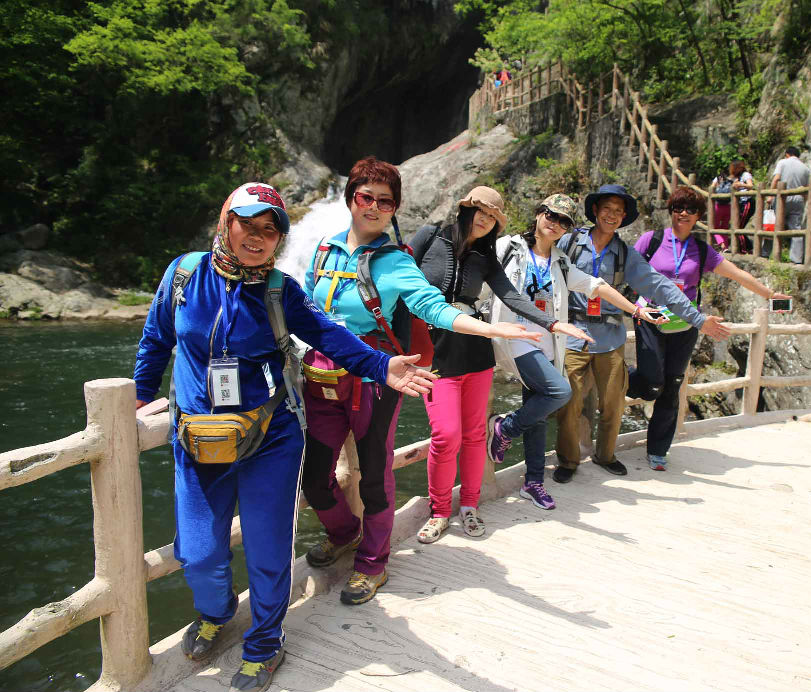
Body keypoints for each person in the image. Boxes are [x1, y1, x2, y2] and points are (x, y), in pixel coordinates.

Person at [132, 182, 436, 692]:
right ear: (225, 222)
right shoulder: (184, 273)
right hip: (197, 437)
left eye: (269, 229)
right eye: (246, 224)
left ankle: (266, 640)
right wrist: (141, 396)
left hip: (268, 438)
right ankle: (217, 609)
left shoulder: (279, 289)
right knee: (199, 553)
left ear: (280, 238)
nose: (257, 237)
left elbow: (330, 335)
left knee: (270, 551)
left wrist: (382, 366)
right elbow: (157, 337)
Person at [301, 158, 539, 605]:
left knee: (373, 474)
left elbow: (432, 305)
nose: (373, 206)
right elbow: (308, 310)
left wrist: (486, 328)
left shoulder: (396, 261)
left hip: (377, 378)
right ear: (351, 197)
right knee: (315, 477)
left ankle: (373, 562)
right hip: (323, 374)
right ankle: (346, 532)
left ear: (395, 209)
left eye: (384, 201)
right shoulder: (323, 249)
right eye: (365, 196)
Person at [407, 187, 589, 543]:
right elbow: (400, 281)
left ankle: (470, 506)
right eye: (480, 211)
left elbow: (511, 295)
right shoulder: (431, 237)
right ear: (465, 209)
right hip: (436, 351)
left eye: (492, 217)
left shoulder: (486, 254)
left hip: (475, 350)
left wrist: (552, 323)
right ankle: (440, 510)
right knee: (446, 436)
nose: (485, 220)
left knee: (475, 435)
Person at [486, 194, 658, 510]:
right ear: (538, 214)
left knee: (537, 415)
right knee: (560, 390)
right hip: (518, 336)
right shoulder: (509, 248)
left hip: (550, 341)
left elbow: (598, 287)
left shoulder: (561, 262)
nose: (556, 223)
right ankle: (505, 427)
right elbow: (476, 269)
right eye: (551, 215)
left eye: (564, 221)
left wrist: (635, 309)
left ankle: (533, 482)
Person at [553, 184, 730, 484]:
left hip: (609, 335)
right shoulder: (569, 241)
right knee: (569, 400)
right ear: (595, 210)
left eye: (618, 212)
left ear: (624, 218)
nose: (612, 216)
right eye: (607, 209)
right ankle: (569, 459)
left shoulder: (624, 253)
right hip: (572, 332)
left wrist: (697, 319)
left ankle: (606, 455)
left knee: (613, 401)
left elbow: (658, 286)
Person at [628, 186, 792, 470]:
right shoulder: (651, 241)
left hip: (686, 322)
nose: (684, 214)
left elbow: (737, 273)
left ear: (699, 216)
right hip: (651, 318)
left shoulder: (701, 250)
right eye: (679, 208)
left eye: (690, 210)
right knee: (653, 382)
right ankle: (620, 377)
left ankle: (658, 449)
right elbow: (626, 268)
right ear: (671, 211)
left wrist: (769, 294)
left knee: (673, 384)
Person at [766, 146, 811, 263]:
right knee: (796, 229)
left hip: (782, 198)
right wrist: (804, 201)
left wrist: (771, 195)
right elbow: (807, 189)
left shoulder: (783, 162)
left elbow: (776, 179)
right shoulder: (806, 168)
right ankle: (796, 260)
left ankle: (766, 254)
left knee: (774, 226)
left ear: (787, 154)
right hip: (798, 199)